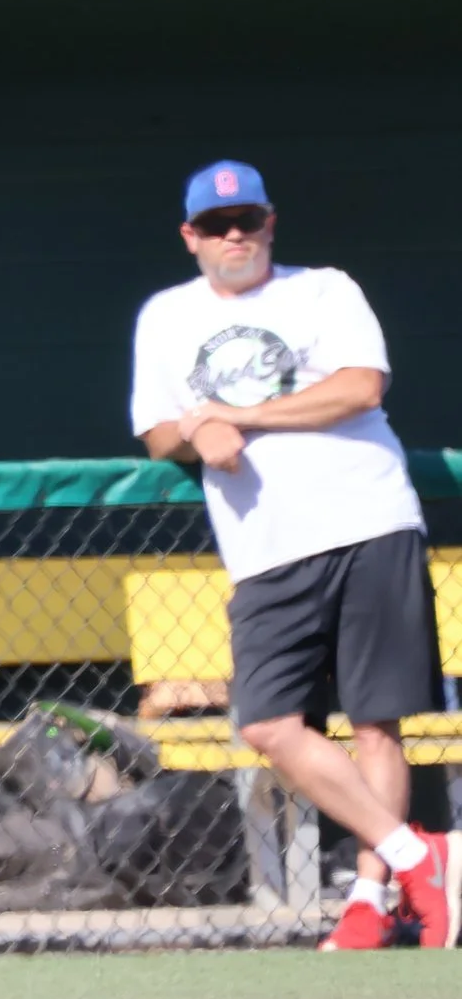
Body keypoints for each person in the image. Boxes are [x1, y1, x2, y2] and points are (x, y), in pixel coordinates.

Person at [130, 160, 455, 950]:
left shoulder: (325, 290)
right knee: (270, 722)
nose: (233, 236)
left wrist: (241, 413)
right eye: (215, 225)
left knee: (377, 725)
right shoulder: (166, 316)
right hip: (266, 549)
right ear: (190, 237)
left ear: (270, 224)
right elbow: (157, 427)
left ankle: (372, 902)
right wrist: (196, 431)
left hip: (366, 515)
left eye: (247, 221)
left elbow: (359, 387)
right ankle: (423, 857)